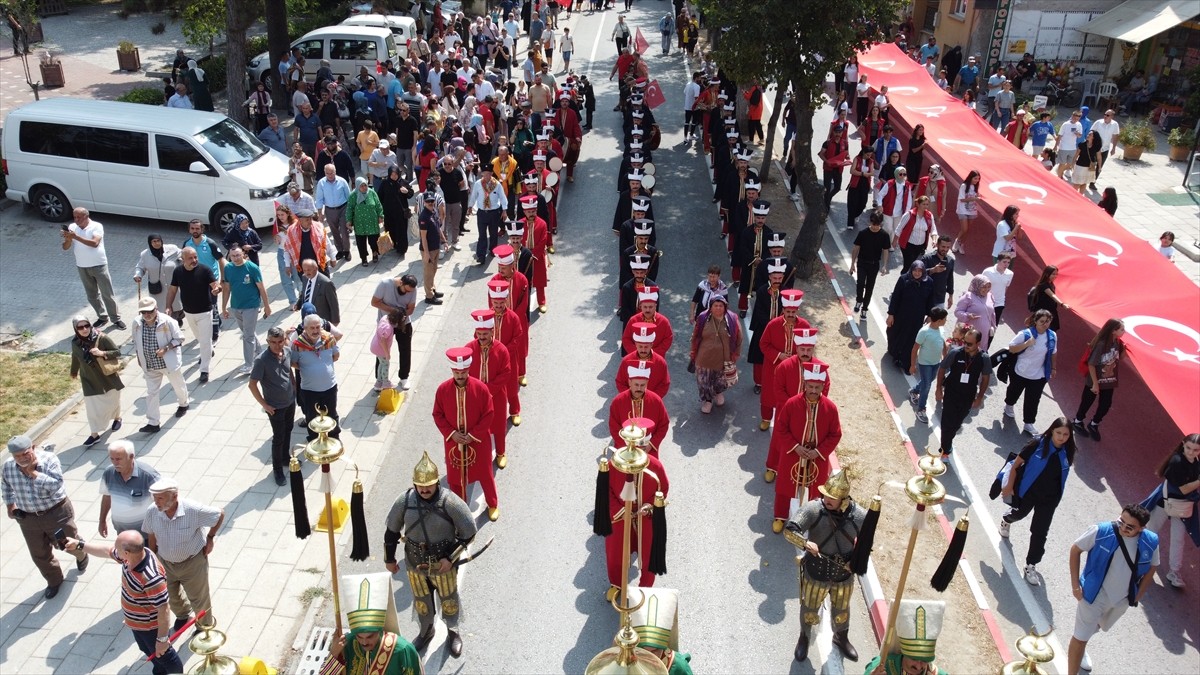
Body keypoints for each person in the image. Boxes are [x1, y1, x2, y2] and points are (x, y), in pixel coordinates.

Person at [63, 531, 184, 674]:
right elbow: (107, 551)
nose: (115, 550)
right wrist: (79, 545)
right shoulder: (132, 557)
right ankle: (160, 670)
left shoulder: (151, 578)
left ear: (127, 553)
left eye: (118, 548)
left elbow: (163, 609)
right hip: (137, 623)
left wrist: (162, 640)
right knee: (147, 650)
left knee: (165, 656)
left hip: (150, 628)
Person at [784, 469, 867, 662]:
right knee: (809, 609)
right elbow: (790, 531)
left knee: (842, 610)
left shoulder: (860, 516)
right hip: (816, 571)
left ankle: (841, 638)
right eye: (826, 495)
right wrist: (804, 543)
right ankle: (804, 637)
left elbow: (867, 543)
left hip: (843, 575)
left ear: (844, 500)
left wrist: (854, 561)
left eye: (832, 497)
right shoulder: (814, 509)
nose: (827, 499)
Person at [1067, 504, 1158, 675]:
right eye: (1121, 521)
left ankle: (1083, 646)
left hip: (1121, 600)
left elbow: (1153, 567)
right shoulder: (1100, 531)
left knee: (1096, 627)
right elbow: (1075, 549)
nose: (1123, 528)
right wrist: (1075, 585)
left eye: (1130, 527)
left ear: (1142, 528)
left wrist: (1138, 595)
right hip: (1093, 595)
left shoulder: (1151, 542)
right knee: (1080, 637)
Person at [3, 436, 90, 599]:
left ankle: (82, 554)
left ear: (33, 447)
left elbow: (56, 486)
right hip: (28, 519)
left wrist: (33, 472)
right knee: (39, 553)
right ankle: (54, 580)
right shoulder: (8, 466)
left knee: (66, 544)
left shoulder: (49, 460)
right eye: (17, 456)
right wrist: (10, 506)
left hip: (55, 514)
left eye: (25, 453)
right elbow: (6, 487)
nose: (21, 459)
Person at [1000, 417, 1077, 585]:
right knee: (1018, 514)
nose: (1061, 437)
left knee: (1040, 531)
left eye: (1066, 434)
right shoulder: (1036, 444)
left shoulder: (1069, 451)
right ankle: (1006, 520)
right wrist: (1009, 486)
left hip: (1049, 499)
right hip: (1028, 492)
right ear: (1051, 431)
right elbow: (1016, 464)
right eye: (1058, 433)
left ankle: (1031, 564)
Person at [599, 418, 670, 599]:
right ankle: (617, 584)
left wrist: (649, 506)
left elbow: (663, 490)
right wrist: (622, 511)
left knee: (649, 555)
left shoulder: (655, 466)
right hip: (620, 515)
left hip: (645, 518)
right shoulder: (614, 463)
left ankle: (644, 590)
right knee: (615, 554)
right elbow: (605, 490)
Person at [766, 362, 841, 534]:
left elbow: (835, 434)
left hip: (817, 457)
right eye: (811, 386)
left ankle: (813, 521)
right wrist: (795, 447)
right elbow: (781, 428)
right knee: (785, 487)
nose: (814, 390)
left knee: (817, 491)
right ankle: (780, 516)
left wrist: (819, 451)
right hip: (793, 453)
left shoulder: (830, 408)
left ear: (823, 386)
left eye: (817, 387)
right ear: (805, 384)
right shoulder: (791, 404)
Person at [432, 347, 499, 521]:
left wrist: (473, 435)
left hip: (478, 441)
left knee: (485, 474)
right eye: (457, 372)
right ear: (452, 370)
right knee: (455, 479)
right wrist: (452, 434)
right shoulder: (442, 390)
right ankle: (460, 511)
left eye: (463, 372)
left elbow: (489, 413)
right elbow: (437, 415)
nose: (460, 376)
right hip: (454, 442)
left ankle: (493, 504)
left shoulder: (481, 389)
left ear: (468, 370)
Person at [321, 572, 422, 674]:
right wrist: (334, 653)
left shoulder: (402, 649)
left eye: (370, 637)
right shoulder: (345, 645)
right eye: (359, 637)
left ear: (379, 631)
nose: (364, 642)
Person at [1144, 434, 1200, 589]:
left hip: (1182, 506)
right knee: (1151, 531)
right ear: (1183, 444)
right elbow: (1183, 489)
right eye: (1188, 448)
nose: (1191, 452)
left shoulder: (1196, 463)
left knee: (1178, 539)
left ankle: (1174, 572)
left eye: (1195, 450)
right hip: (1166, 502)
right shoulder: (1176, 462)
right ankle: (1142, 559)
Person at [131, 297, 188, 433]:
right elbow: (136, 341)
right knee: (151, 393)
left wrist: (166, 348)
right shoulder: (137, 323)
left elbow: (180, 338)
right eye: (143, 312)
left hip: (168, 363)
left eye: (149, 311)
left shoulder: (168, 321)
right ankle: (153, 422)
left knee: (178, 386)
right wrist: (139, 357)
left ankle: (183, 404)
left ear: (156, 309)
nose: (147, 315)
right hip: (150, 365)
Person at [248, 327, 297, 486]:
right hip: (275, 407)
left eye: (280, 341)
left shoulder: (287, 352)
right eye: (273, 342)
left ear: (284, 340)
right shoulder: (261, 360)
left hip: (290, 401)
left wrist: (294, 385)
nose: (277, 345)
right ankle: (277, 471)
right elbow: (252, 385)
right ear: (268, 342)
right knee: (278, 438)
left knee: (288, 430)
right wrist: (265, 405)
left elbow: (289, 369)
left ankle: (285, 458)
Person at [465, 309, 513, 467]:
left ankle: (500, 453)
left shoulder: (501, 350)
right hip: (475, 398)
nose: (482, 337)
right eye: (479, 334)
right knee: (476, 428)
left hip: (497, 396)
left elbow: (505, 373)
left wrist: (488, 391)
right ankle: (478, 455)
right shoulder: (468, 349)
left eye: (485, 334)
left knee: (498, 426)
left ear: (492, 331)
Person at [934, 327, 991, 459]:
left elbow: (986, 378)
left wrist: (980, 397)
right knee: (947, 422)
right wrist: (938, 388)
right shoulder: (955, 353)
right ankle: (945, 451)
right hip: (951, 393)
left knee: (956, 423)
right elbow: (942, 368)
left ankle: (947, 442)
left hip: (968, 396)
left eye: (969, 344)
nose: (965, 345)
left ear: (978, 344)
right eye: (965, 342)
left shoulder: (984, 358)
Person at [63, 207, 124, 330]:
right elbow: (65, 247)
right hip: (82, 266)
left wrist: (75, 237)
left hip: (99, 265)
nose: (76, 220)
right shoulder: (72, 227)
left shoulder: (96, 226)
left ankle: (116, 319)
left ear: (86, 216)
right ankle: (102, 317)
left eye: (78, 217)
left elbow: (95, 243)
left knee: (107, 293)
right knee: (92, 295)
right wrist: (69, 238)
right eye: (74, 217)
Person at [166, 247, 220, 384]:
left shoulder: (205, 270)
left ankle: (204, 370)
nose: (194, 260)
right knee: (201, 338)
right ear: (182, 259)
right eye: (190, 258)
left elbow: (215, 284)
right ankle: (208, 350)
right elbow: (172, 290)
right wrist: (168, 306)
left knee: (205, 340)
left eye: (195, 257)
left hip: (205, 311)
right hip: (189, 312)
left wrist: (216, 289)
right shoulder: (178, 272)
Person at [70, 315, 124, 446]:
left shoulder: (102, 338)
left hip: (107, 377)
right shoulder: (75, 342)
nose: (84, 329)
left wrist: (102, 353)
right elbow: (75, 356)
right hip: (89, 379)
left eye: (86, 325)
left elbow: (117, 352)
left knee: (112, 400)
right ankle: (94, 434)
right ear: (75, 329)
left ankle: (117, 417)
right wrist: (73, 371)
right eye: (80, 327)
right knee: (92, 408)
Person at [1004, 309, 1058, 435]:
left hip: (1039, 375)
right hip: (1021, 371)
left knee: (1033, 400)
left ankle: (1029, 423)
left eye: (1048, 321)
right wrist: (1027, 344)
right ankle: (1009, 405)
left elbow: (1054, 352)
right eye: (1042, 321)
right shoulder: (1025, 334)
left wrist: (1054, 368)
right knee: (1014, 391)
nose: (1045, 324)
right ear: (1035, 321)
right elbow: (1012, 348)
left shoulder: (1052, 336)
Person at [1070, 319, 1126, 441]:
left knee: (1106, 404)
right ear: (1113, 330)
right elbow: (1091, 364)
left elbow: (1120, 358)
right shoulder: (1101, 344)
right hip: (1095, 380)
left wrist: (1125, 349)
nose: (1124, 331)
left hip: (1108, 379)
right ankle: (1078, 420)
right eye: (1122, 329)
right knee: (1087, 401)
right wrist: (1095, 384)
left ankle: (1094, 423)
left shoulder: (1117, 342)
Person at [221, 247, 270, 376]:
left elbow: (261, 288)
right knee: (248, 332)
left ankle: (249, 364)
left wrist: (267, 306)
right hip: (236, 306)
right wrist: (224, 307)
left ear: (243, 254)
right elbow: (226, 288)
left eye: (238, 255)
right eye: (233, 256)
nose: (236, 258)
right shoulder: (228, 268)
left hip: (251, 306)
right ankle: (259, 351)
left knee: (247, 336)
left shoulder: (252, 268)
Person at [291, 313, 341, 441]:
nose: (315, 330)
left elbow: (336, 356)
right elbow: (294, 363)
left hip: (329, 386)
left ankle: (334, 438)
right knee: (311, 417)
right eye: (312, 328)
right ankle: (314, 440)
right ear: (305, 328)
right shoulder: (297, 345)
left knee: (332, 414)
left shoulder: (329, 339)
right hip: (309, 390)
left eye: (317, 327)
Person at [688, 295, 742, 414]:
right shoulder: (703, 317)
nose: (718, 308)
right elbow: (695, 336)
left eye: (721, 306)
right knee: (703, 380)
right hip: (703, 357)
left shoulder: (732, 319)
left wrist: (735, 355)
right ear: (710, 307)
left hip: (724, 358)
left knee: (720, 380)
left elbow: (739, 338)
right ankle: (707, 401)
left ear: (725, 307)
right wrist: (693, 352)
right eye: (715, 306)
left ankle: (718, 393)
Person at [864, 599, 947, 674]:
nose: (918, 666)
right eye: (913, 659)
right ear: (903, 653)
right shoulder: (880, 667)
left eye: (924, 661)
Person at [99, 441, 162, 538]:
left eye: (119, 459)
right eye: (112, 459)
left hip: (146, 536)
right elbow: (107, 497)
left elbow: (164, 501)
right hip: (122, 533)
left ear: (131, 456)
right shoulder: (109, 473)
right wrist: (102, 521)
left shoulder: (149, 476)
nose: (115, 463)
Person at [628, 587, 694, 675]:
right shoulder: (626, 659)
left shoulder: (679, 667)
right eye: (643, 651)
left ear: (663, 647)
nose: (650, 657)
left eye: (655, 651)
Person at [370, 274, 418, 392]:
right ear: (401, 283)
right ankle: (379, 380)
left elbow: (411, 308)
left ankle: (404, 377)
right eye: (406, 290)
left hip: (403, 323)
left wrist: (403, 314)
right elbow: (374, 302)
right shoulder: (385, 284)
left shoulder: (412, 289)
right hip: (386, 324)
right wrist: (394, 311)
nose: (408, 293)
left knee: (405, 349)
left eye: (410, 291)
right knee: (382, 352)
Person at [609, 364, 670, 454]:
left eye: (642, 385)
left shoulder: (656, 400)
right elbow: (614, 427)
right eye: (636, 384)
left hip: (647, 448)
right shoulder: (618, 401)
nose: (639, 388)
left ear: (647, 383)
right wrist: (626, 448)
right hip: (624, 448)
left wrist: (651, 445)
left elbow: (664, 424)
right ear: (630, 382)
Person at [886, 259, 935, 371]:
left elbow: (930, 300)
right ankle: (895, 353)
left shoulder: (929, 282)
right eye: (915, 270)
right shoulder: (904, 279)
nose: (917, 273)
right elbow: (895, 297)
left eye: (920, 271)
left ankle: (904, 360)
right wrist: (891, 314)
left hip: (917, 317)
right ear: (911, 270)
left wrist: (930, 315)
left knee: (911, 338)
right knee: (894, 333)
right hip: (901, 315)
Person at [907, 307, 947, 425]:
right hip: (925, 364)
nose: (946, 321)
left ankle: (914, 391)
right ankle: (921, 409)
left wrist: (945, 357)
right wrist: (912, 365)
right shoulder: (924, 332)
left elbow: (943, 343)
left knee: (928, 381)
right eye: (945, 319)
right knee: (927, 385)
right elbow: (915, 349)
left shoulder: (941, 329)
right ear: (938, 320)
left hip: (936, 362)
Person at [850, 212, 890, 321]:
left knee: (869, 288)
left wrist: (884, 265)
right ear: (870, 221)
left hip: (874, 265)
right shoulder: (863, 233)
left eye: (877, 224)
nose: (875, 226)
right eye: (873, 223)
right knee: (860, 283)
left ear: (880, 223)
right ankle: (859, 300)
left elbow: (885, 251)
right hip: (862, 263)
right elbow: (855, 249)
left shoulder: (884, 235)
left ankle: (864, 309)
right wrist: (852, 264)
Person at [135, 234, 183, 316]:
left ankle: (177, 319)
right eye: (154, 241)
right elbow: (140, 267)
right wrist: (138, 275)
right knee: (161, 309)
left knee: (176, 306)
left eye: (158, 241)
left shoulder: (172, 249)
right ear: (150, 243)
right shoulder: (145, 255)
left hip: (173, 285)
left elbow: (184, 254)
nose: (157, 243)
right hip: (157, 288)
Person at [314, 165, 352, 262]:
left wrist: (351, 211)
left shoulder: (342, 181)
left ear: (335, 172)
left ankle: (347, 251)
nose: (330, 175)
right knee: (334, 231)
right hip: (329, 210)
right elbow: (319, 198)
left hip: (343, 208)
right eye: (327, 173)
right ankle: (339, 250)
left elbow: (349, 196)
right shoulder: (321, 183)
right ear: (325, 172)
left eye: (331, 173)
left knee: (344, 231)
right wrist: (320, 212)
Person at [347, 177, 385, 265]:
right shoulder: (353, 195)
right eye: (362, 186)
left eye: (365, 185)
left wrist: (381, 216)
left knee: (374, 240)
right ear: (357, 186)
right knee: (361, 242)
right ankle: (364, 258)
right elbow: (349, 209)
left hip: (372, 222)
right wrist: (349, 220)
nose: (364, 188)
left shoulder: (371, 192)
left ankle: (375, 253)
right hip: (360, 223)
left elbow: (378, 205)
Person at [954, 274, 996, 351]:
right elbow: (957, 312)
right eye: (983, 287)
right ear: (977, 285)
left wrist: (993, 327)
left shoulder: (990, 296)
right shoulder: (968, 296)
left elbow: (992, 314)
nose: (986, 289)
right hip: (968, 333)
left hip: (983, 334)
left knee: (978, 353)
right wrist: (967, 315)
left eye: (988, 287)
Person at [418, 191, 445, 305]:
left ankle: (432, 289)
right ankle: (429, 296)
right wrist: (427, 253)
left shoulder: (433, 212)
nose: (430, 203)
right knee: (428, 273)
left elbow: (438, 228)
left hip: (436, 247)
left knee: (433, 270)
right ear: (424, 202)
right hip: (428, 249)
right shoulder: (423, 217)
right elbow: (423, 237)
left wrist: (444, 240)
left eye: (432, 201)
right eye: (428, 201)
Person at [296, 259, 340, 325]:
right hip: (306, 318)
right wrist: (298, 304)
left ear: (316, 268)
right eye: (304, 270)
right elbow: (304, 292)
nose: (306, 273)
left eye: (309, 270)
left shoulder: (326, 283)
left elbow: (333, 304)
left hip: (321, 321)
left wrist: (335, 322)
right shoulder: (304, 277)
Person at [1029, 264, 1069, 331]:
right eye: (1053, 274)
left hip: (1050, 310)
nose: (1055, 276)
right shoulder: (1043, 285)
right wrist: (1062, 304)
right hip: (1044, 311)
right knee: (1040, 328)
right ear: (1047, 274)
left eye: (1056, 274)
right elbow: (1052, 295)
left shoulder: (1051, 284)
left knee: (1050, 328)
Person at [981, 252, 1015, 323]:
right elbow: (980, 286)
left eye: (1008, 262)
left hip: (999, 303)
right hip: (986, 301)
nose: (1006, 264)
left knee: (993, 326)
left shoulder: (1010, 274)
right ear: (998, 261)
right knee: (983, 323)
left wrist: (1002, 297)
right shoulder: (987, 272)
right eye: (1004, 262)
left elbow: (1006, 287)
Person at [953, 170, 980, 254]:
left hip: (972, 211)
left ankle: (962, 245)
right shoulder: (964, 186)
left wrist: (977, 197)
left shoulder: (975, 187)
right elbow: (961, 199)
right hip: (962, 210)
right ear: (970, 177)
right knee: (964, 229)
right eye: (975, 178)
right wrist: (974, 199)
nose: (977, 180)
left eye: (978, 179)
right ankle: (957, 241)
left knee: (967, 230)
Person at [1070, 130, 1103, 194]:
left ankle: (1080, 196)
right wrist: (1072, 164)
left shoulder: (1096, 146)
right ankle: (1073, 196)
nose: (1088, 135)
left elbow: (1099, 157)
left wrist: (1099, 167)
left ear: (1093, 137)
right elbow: (1076, 155)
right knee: (1077, 183)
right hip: (1080, 166)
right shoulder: (1082, 145)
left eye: (1090, 135)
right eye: (1088, 134)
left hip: (1090, 167)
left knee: (1084, 183)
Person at [1055, 110, 1085, 179]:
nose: (1076, 120)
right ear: (1072, 116)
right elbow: (1060, 135)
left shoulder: (1079, 125)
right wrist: (1056, 145)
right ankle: (1059, 176)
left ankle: (1059, 171)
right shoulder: (1066, 124)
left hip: (1073, 147)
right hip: (1064, 147)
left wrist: (1077, 134)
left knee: (1070, 164)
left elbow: (1080, 135)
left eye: (1078, 118)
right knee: (1062, 163)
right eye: (1075, 118)